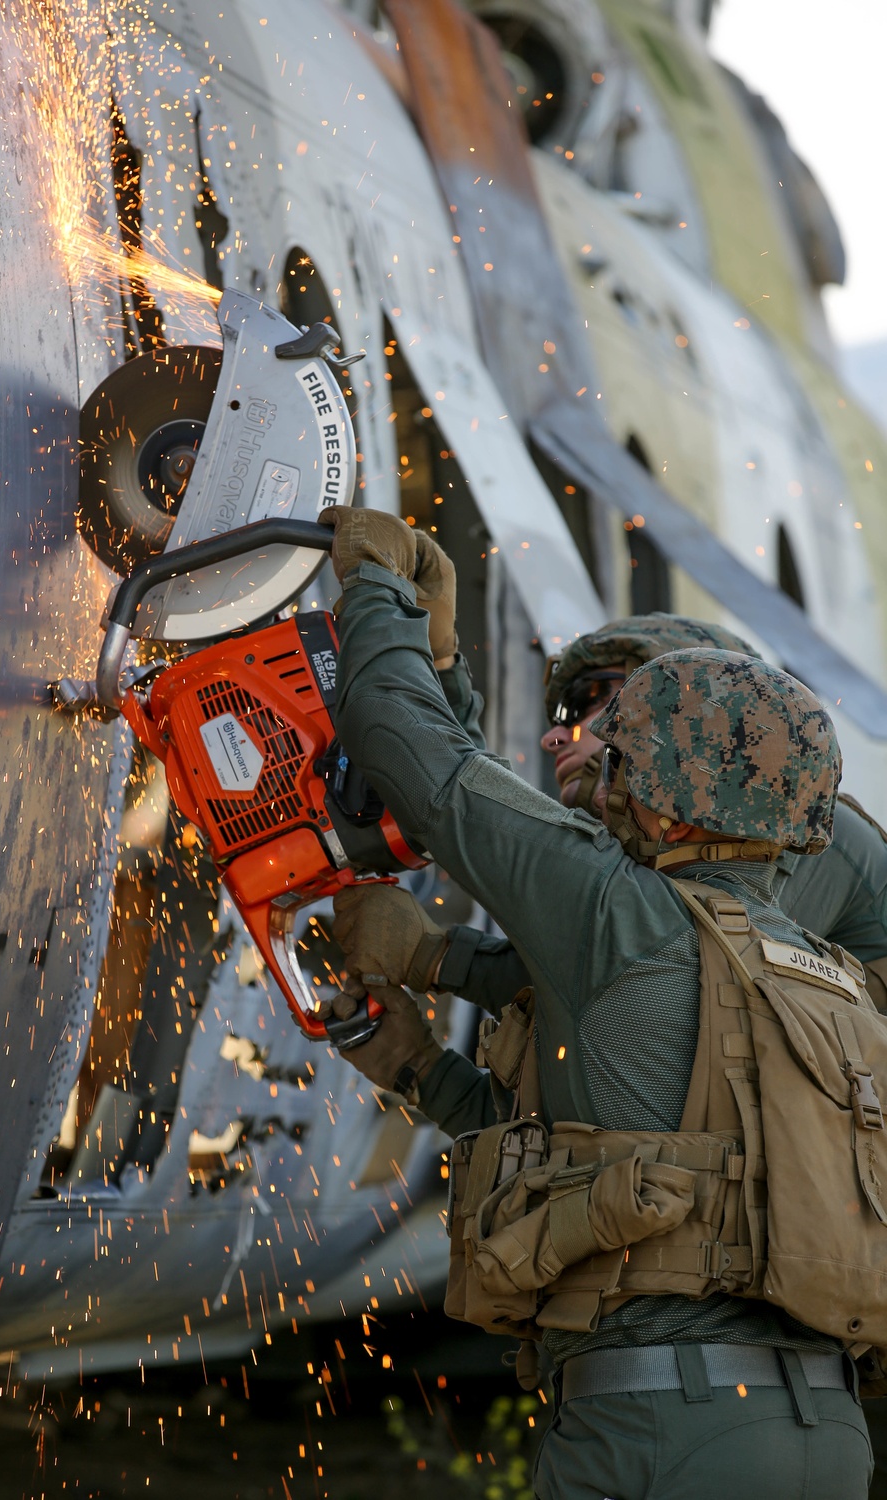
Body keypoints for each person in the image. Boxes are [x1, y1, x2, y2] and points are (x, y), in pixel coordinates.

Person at [316, 505, 876, 1500]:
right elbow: (607, 1154)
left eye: (613, 732)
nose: (583, 749)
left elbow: (413, 755)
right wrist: (419, 1064)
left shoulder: (621, 917)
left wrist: (375, 590)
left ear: (667, 781)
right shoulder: (824, 983)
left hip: (653, 1424)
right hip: (824, 1438)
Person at [347, 613, 887, 1020]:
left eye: (588, 700)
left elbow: (619, 970)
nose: (555, 734)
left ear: (692, 712)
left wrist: (439, 957)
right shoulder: (682, 849)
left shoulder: (782, 841)